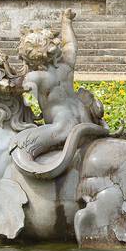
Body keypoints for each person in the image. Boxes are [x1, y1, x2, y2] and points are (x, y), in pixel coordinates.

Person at [13, 9, 103, 160]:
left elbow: (10, 87)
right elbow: (70, 44)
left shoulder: (35, 77)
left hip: (63, 127)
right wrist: (66, 22)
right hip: (86, 121)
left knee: (19, 147)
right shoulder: (66, 66)